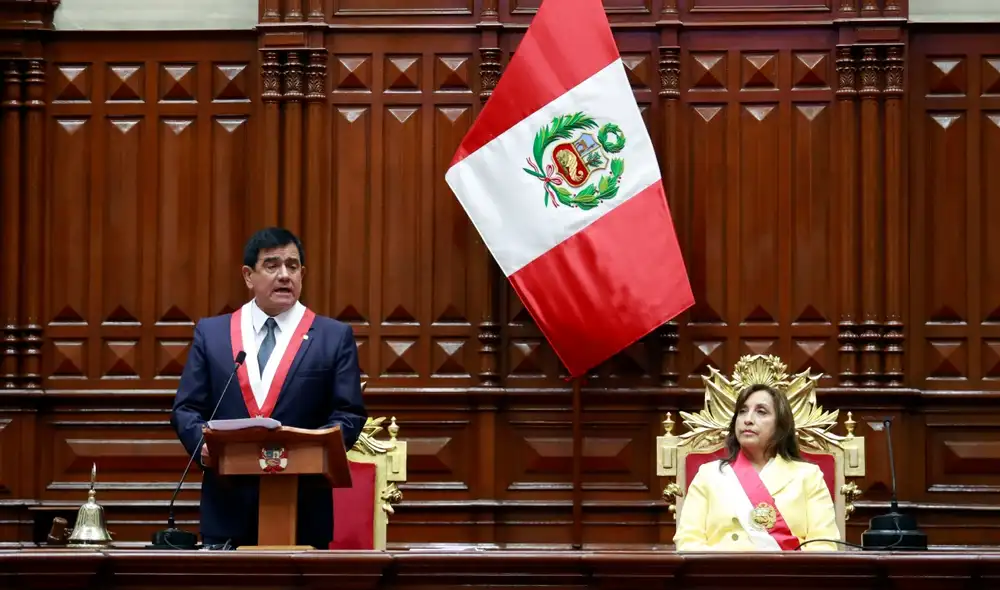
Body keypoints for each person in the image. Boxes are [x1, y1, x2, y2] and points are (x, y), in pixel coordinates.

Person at [170, 227, 367, 549]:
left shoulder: (333, 337)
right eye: (272, 265)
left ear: (302, 274)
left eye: (292, 266)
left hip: (304, 507)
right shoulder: (213, 334)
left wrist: (317, 447)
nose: (284, 275)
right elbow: (186, 409)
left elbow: (349, 413)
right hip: (228, 507)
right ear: (249, 276)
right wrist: (201, 444)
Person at [673, 383, 840, 551]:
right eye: (742, 411)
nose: (748, 419)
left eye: (761, 412)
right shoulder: (709, 474)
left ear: (780, 425)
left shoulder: (808, 476)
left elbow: (824, 546)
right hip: (721, 567)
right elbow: (688, 542)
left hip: (787, 568)